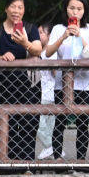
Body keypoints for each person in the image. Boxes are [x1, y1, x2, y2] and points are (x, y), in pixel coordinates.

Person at [45, 0, 89, 160]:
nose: (75, 12)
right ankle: (58, 159)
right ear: (66, 9)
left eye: (79, 9)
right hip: (62, 83)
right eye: (72, 8)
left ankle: (81, 159)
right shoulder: (58, 29)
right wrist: (64, 36)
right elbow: (48, 52)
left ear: (84, 10)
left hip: (84, 83)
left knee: (83, 123)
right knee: (60, 121)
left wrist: (79, 36)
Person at [0, 0, 42, 160]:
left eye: (20, 7)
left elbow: (37, 49)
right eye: (13, 6)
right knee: (8, 124)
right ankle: (7, 162)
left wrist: (25, 43)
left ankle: (27, 163)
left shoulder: (29, 29)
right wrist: (2, 56)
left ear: (24, 10)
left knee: (30, 123)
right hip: (4, 86)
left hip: (29, 85)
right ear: (6, 8)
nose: (16, 11)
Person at [36, 23, 57, 160]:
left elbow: (55, 72)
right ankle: (49, 148)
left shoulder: (50, 52)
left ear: (49, 36)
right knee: (42, 125)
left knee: (44, 126)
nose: (38, 35)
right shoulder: (39, 52)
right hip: (42, 92)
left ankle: (50, 147)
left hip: (49, 93)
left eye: (41, 32)